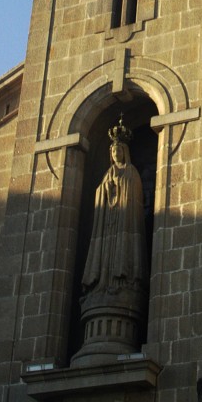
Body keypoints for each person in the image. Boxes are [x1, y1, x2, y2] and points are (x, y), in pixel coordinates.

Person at [81, 119, 147, 302]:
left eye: (118, 150)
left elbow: (133, 194)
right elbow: (99, 194)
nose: (116, 153)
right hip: (108, 223)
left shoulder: (131, 172)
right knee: (105, 255)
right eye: (113, 150)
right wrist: (106, 188)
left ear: (124, 152)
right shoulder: (107, 173)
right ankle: (103, 283)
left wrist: (120, 186)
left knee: (122, 252)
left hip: (124, 222)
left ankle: (121, 283)